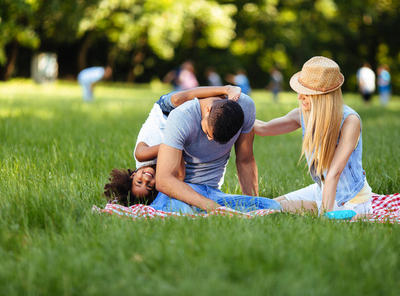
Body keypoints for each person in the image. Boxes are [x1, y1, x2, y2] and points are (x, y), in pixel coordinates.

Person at [254, 56, 373, 218]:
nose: (299, 97)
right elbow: (263, 128)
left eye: (307, 93)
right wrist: (235, 113)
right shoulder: (304, 114)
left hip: (351, 201)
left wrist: (325, 214)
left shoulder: (350, 120)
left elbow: (334, 173)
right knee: (268, 205)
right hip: (322, 189)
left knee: (276, 209)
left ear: (324, 96)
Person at [104, 85, 242, 206]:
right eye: (150, 186)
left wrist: (174, 147)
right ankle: (252, 122)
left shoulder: (141, 156)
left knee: (179, 99)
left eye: (139, 182)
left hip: (165, 112)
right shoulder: (163, 169)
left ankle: (226, 88)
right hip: (181, 123)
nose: (146, 179)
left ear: (132, 176)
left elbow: (169, 147)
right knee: (216, 122)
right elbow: (181, 176)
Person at [150, 87, 281, 214]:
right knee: (181, 212)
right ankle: (200, 211)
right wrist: (214, 208)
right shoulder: (181, 116)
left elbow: (245, 160)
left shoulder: (246, 107)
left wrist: (254, 204)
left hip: (213, 193)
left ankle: (202, 212)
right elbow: (164, 180)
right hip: (181, 193)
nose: (209, 138)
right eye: (207, 131)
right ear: (208, 109)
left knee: (272, 207)